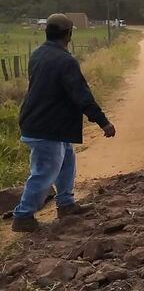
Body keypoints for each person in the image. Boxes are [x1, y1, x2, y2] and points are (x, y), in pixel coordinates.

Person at [12, 14, 117, 232]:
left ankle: (66, 204)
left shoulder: (38, 54)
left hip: (45, 123)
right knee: (44, 172)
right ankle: (23, 216)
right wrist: (103, 122)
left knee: (67, 161)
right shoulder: (65, 61)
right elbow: (81, 96)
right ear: (69, 34)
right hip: (46, 127)